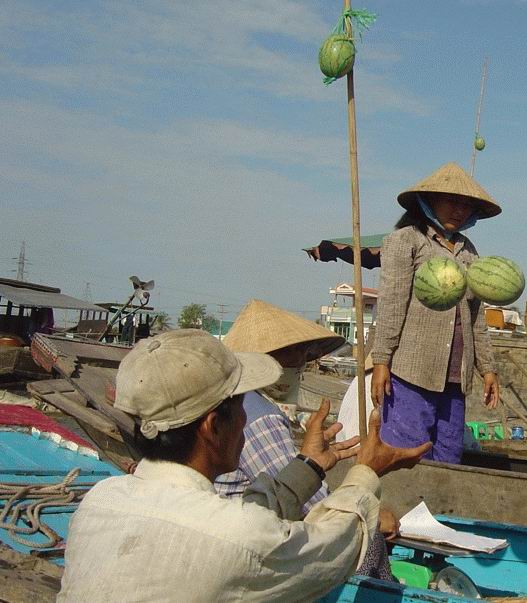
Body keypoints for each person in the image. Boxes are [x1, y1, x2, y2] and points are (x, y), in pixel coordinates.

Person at [58, 329, 430, 602]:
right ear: (213, 426)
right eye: (241, 407)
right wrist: (366, 472)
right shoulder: (239, 536)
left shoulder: (99, 500)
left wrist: (310, 464)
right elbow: (337, 546)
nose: (246, 420)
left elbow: (244, 522)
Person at [371, 162, 500, 464]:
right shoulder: (407, 240)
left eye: (466, 206)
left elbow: (476, 317)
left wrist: (488, 368)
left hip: (455, 378)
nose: (459, 210)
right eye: (453, 202)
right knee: (405, 458)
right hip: (412, 372)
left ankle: (438, 513)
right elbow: (391, 303)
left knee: (447, 460)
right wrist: (381, 361)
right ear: (429, 202)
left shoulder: (469, 252)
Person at [215, 299, 345, 513]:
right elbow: (308, 503)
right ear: (263, 360)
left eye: (305, 352)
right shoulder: (258, 415)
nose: (302, 362)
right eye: (294, 351)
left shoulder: (243, 400)